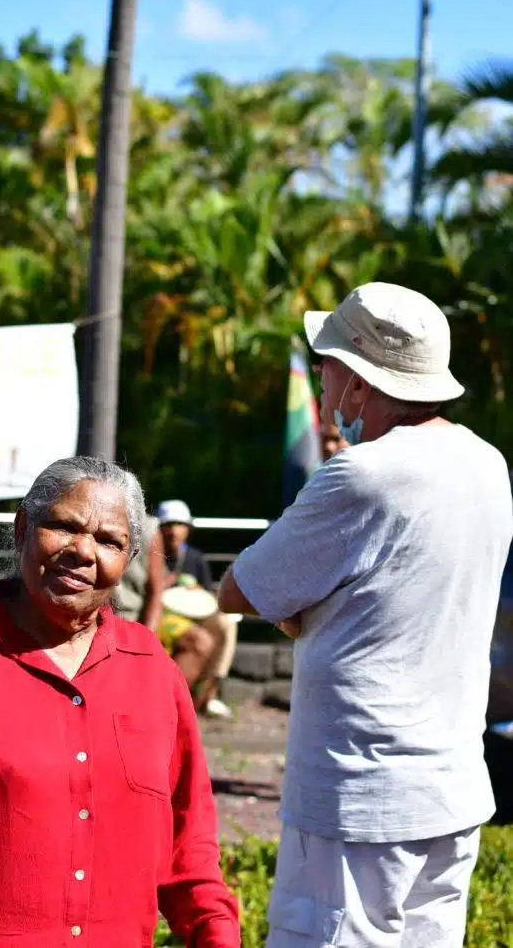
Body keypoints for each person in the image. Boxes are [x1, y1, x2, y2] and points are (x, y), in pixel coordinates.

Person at [0, 456, 240, 948]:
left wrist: (216, 932)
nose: (83, 551)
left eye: (108, 541)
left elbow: (190, 841)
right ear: (22, 528)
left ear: (130, 557)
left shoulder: (151, 669)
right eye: (63, 526)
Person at [218, 282, 513, 948]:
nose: (320, 377)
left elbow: (240, 589)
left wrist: (303, 613)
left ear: (356, 381)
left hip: (357, 793)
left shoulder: (362, 475)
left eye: (325, 363)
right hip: (451, 788)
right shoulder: (486, 463)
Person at [154, 500, 237, 718]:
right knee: (198, 641)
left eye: (179, 524)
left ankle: (211, 693)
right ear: (159, 528)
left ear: (187, 529)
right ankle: (168, 703)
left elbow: (210, 596)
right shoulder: (151, 553)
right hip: (163, 615)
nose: (174, 530)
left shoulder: (195, 558)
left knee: (225, 624)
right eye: (168, 524)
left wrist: (197, 589)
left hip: (194, 614)